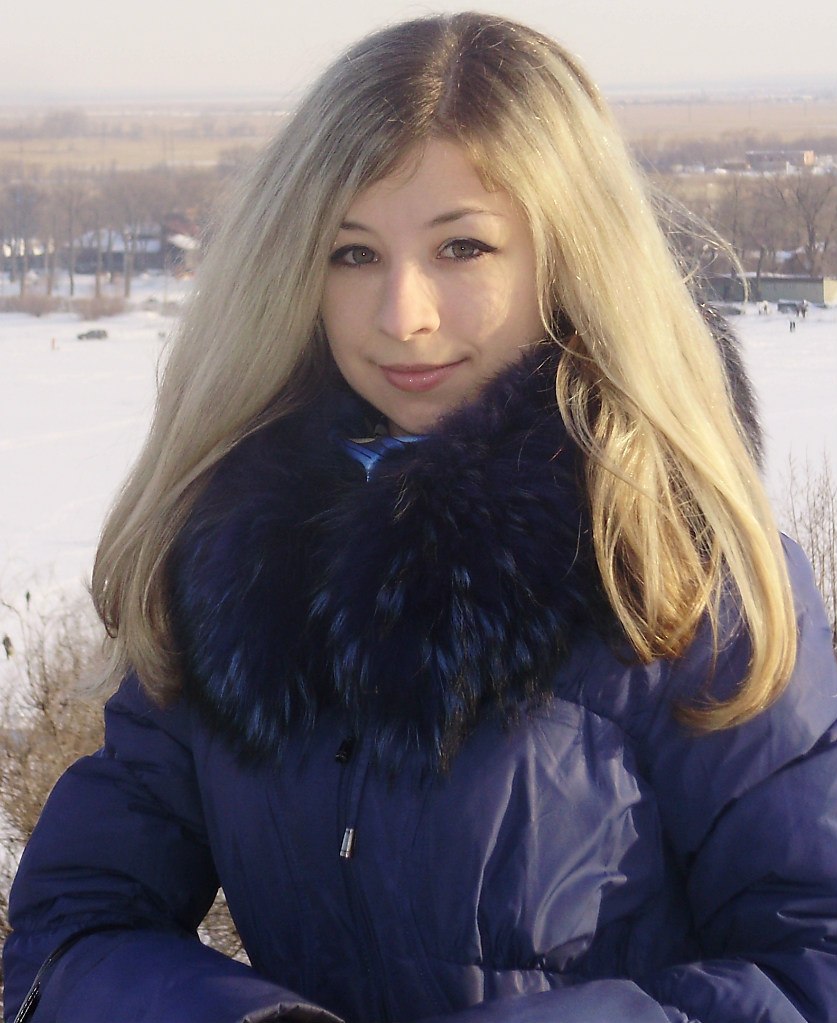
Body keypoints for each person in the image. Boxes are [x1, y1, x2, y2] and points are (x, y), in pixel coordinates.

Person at [5, 13, 837, 1023]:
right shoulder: (237, 564)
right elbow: (75, 926)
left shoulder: (680, 576)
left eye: (462, 246)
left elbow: (813, 966)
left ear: (572, 257)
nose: (403, 313)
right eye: (352, 253)